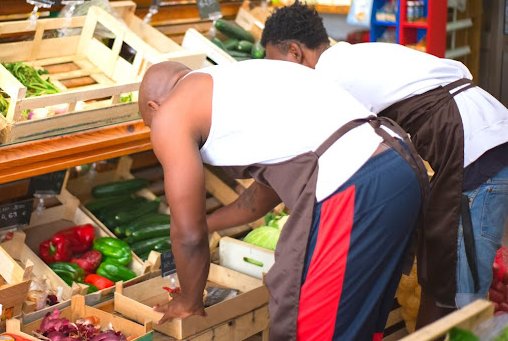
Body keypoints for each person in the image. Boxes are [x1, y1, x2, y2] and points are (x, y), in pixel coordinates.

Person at [260, 1, 508, 327]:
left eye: (275, 64)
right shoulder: (348, 58)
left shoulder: (331, 78)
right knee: (439, 275)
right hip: (467, 141)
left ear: (295, 52)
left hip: (474, 148)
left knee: (461, 295)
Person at [139, 60, 428, 341]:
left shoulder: (170, 114)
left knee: (310, 328)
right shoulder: (237, 80)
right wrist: (209, 222)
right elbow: (262, 195)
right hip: (398, 165)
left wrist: (189, 302)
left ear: (154, 107)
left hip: (356, 188)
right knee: (358, 319)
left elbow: (188, 236)